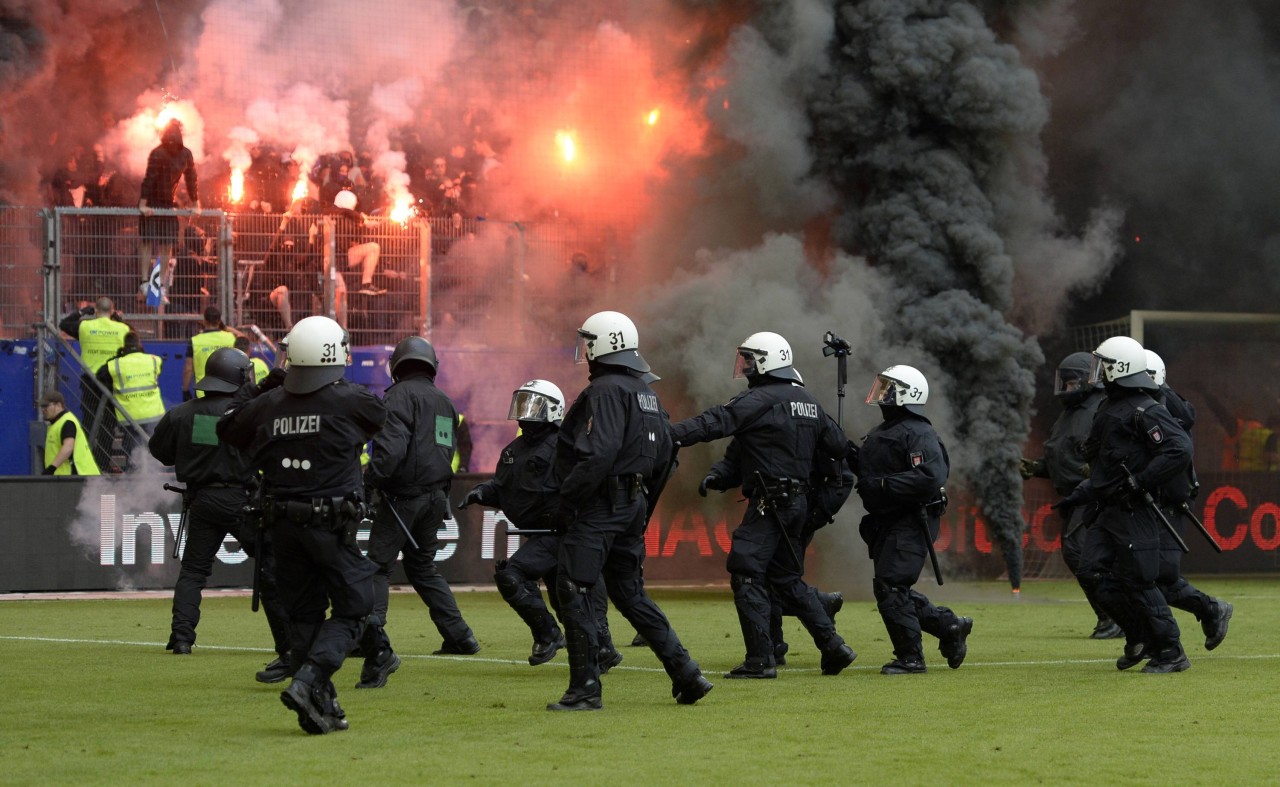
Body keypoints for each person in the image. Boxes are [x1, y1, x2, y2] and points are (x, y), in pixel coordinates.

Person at [217, 315, 387, 734]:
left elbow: (228, 424)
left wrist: (272, 382)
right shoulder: (351, 400)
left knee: (305, 614)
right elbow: (376, 415)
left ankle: (320, 704)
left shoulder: (267, 405)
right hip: (329, 526)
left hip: (281, 527)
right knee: (355, 606)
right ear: (334, 353)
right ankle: (309, 679)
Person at [549, 310, 712, 711]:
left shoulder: (605, 391)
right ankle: (687, 674)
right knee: (630, 594)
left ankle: (585, 690)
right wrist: (637, 504)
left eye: (589, 342)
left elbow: (599, 453)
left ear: (603, 345)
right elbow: (665, 456)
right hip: (631, 505)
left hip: (601, 507)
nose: (584, 351)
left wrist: (566, 501)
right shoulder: (647, 393)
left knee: (573, 589)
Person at [673, 331, 857, 679]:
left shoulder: (760, 399)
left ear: (768, 361)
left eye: (750, 359)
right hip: (797, 503)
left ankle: (761, 660)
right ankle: (834, 646)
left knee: (745, 572)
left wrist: (669, 435)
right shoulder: (809, 401)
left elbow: (714, 422)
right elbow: (836, 444)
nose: (745, 367)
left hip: (769, 503)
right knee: (787, 578)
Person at [460, 379, 623, 670]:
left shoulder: (567, 447)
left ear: (553, 410)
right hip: (542, 534)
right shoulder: (514, 450)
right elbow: (504, 486)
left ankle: (549, 636)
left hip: (563, 532)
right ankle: (602, 650)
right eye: (522, 403)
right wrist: (483, 492)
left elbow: (586, 483)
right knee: (566, 601)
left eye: (533, 404)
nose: (525, 411)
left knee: (513, 576)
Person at [148, 347, 292, 670]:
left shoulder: (182, 413)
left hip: (202, 502)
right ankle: (288, 645)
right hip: (243, 501)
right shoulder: (246, 411)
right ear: (239, 376)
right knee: (271, 567)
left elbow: (160, 451)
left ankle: (182, 638)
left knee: (193, 572)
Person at [1056, 336, 1193, 673]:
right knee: (1092, 572)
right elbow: (1105, 463)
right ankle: (1139, 636)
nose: (1097, 372)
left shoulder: (1145, 409)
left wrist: (1141, 481)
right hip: (1106, 509)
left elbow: (1179, 449)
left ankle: (1171, 652)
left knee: (1140, 580)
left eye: (1103, 365)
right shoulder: (1107, 406)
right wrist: (1086, 491)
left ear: (1119, 370)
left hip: (1134, 509)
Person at [359, 336, 479, 690]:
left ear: (398, 366)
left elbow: (391, 449)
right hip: (435, 498)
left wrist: (370, 483)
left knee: (377, 565)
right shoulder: (444, 402)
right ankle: (460, 636)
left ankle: (372, 639)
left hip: (401, 498)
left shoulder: (397, 396)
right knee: (422, 567)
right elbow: (446, 450)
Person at [854, 364, 973, 675]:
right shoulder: (883, 433)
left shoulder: (918, 432)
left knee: (891, 587)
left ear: (907, 394)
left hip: (910, 519)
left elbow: (929, 476)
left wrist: (882, 485)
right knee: (893, 587)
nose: (881, 396)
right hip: (887, 520)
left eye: (888, 390)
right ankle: (949, 626)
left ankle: (910, 658)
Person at [1019, 352, 1120, 639]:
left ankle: (1113, 616)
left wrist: (1097, 473)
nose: (1066, 388)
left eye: (1072, 382)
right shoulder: (1069, 414)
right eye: (1064, 382)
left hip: (1091, 496)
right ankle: (1113, 616)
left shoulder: (1100, 409)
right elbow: (1065, 457)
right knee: (1078, 554)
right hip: (1073, 495)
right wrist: (1037, 468)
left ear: (1090, 380)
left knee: (1080, 553)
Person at [1144, 350, 1233, 652]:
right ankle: (1145, 636)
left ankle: (1210, 609)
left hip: (1167, 501)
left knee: (1160, 575)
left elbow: (1175, 456)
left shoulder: (1161, 410)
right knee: (1141, 572)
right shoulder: (1161, 406)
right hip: (1155, 499)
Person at [58, 297, 129, 470]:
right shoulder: (122, 329)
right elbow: (134, 339)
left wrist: (83, 312)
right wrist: (119, 320)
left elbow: (64, 324)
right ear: (112, 311)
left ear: (96, 311)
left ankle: (87, 463)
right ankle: (103, 463)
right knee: (108, 425)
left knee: (89, 423)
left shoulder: (85, 327)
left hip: (90, 382)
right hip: (112, 383)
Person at [138, 119, 199, 301]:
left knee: (165, 245)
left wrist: (196, 202)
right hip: (153, 202)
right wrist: (143, 204)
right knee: (149, 242)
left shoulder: (184, 154)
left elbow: (191, 178)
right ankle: (144, 283)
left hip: (166, 204)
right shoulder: (158, 153)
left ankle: (158, 286)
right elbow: (149, 180)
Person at [96, 331, 165, 470]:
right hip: (153, 415)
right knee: (155, 452)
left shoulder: (115, 364)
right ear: (139, 344)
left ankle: (132, 483)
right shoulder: (153, 360)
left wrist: (119, 356)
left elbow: (100, 375)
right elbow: (157, 371)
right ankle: (155, 480)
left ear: (124, 346)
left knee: (131, 452)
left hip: (129, 417)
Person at [183, 306, 239, 400]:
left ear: (204, 321)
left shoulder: (195, 341)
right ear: (219, 320)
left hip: (203, 392)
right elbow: (243, 339)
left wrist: (185, 390)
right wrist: (225, 328)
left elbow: (188, 369)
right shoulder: (230, 338)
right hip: (227, 390)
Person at [39, 390, 100, 476]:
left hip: (78, 475)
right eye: (42, 406)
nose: (43, 409)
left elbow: (68, 447)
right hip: (67, 476)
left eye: (46, 406)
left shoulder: (67, 422)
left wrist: (51, 469)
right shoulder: (56, 424)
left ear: (58, 405)